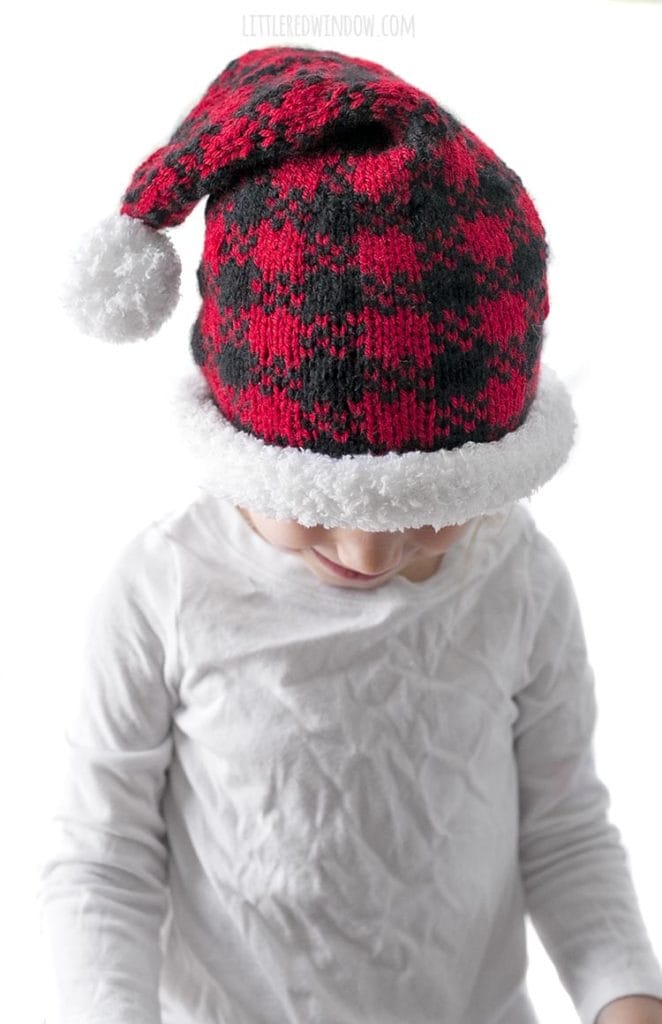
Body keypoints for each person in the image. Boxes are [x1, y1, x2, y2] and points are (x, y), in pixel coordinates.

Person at [38, 44, 662, 1024]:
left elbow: (564, 826)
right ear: (247, 449)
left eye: (425, 514)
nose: (372, 554)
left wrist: (624, 993)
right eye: (320, 504)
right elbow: (101, 857)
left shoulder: (516, 574)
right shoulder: (163, 588)